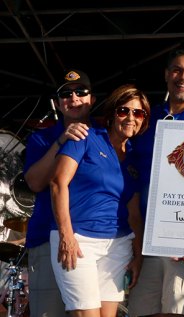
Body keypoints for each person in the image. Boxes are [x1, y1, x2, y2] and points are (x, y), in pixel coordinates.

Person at [127, 45, 184, 317]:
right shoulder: (144, 117)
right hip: (143, 240)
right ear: (167, 75)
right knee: (140, 312)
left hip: (183, 244)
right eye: (178, 70)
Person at [49, 83, 149, 317]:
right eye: (124, 110)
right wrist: (66, 236)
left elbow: (134, 213)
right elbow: (57, 183)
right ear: (113, 113)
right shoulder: (85, 137)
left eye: (138, 113)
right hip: (78, 241)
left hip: (118, 245)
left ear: (144, 119)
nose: (131, 117)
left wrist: (138, 256)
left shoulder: (134, 159)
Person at [24, 69, 95, 317]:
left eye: (81, 92)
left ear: (91, 99)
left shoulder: (105, 137)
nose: (74, 98)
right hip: (47, 239)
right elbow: (34, 182)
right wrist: (62, 140)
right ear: (58, 103)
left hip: (95, 243)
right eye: (66, 94)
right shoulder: (41, 139)